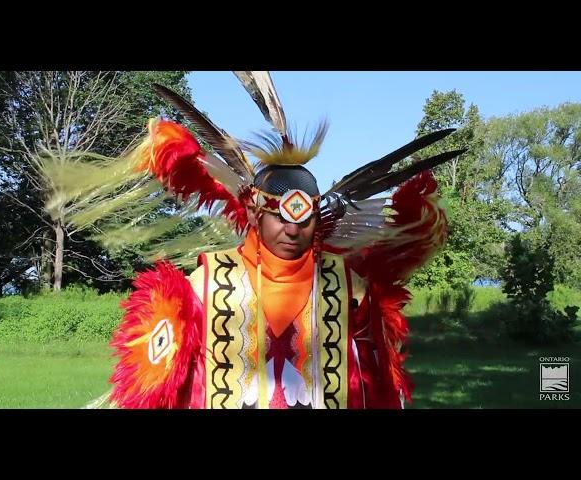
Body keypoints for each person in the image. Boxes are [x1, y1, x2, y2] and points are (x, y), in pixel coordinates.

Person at [92, 72, 463, 409]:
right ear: (254, 213)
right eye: (280, 217)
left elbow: (377, 386)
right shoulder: (205, 288)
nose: (291, 229)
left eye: (304, 219)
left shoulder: (351, 290)